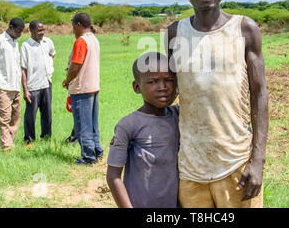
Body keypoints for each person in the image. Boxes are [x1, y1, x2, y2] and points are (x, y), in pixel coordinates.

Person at [166, 0, 269, 208]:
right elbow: (165, 91)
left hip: (236, 162)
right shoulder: (174, 33)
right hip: (191, 167)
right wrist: (133, 128)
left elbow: (259, 94)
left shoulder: (245, 29)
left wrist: (257, 160)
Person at [106, 52, 179, 208]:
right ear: (137, 87)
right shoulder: (128, 125)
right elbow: (113, 176)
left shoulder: (180, 117)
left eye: (169, 80)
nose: (163, 87)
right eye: (153, 81)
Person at [62, 13, 103, 165]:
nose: (72, 29)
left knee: (82, 125)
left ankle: (88, 157)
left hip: (81, 88)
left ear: (78, 25)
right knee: (92, 124)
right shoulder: (94, 39)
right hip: (93, 86)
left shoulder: (81, 41)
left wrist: (67, 81)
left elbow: (76, 66)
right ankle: (97, 151)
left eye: (73, 25)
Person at [0, 18, 25, 151]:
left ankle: (10, 142)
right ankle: (6, 146)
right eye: (18, 31)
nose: (20, 34)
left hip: (15, 85)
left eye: (22, 32)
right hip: (3, 85)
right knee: (5, 118)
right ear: (11, 27)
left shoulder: (15, 42)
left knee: (15, 117)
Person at [20, 20, 56, 146]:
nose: (42, 33)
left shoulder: (48, 42)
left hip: (46, 83)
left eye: (43, 30)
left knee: (47, 114)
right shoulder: (26, 46)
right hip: (32, 86)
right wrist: (25, 90)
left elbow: (52, 54)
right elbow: (23, 69)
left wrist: (48, 68)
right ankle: (29, 139)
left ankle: (46, 138)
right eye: (39, 30)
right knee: (31, 115)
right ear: (31, 31)